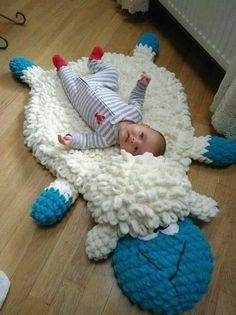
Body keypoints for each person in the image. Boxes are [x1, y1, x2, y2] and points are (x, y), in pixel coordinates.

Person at [52, 46, 166, 156]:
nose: (133, 140)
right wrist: (142, 85)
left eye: (135, 149)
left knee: (68, 83)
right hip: (102, 84)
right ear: (144, 125)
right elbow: (137, 98)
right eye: (141, 136)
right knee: (112, 72)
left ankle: (63, 68)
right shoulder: (135, 114)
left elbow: (87, 141)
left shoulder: (106, 139)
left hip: (78, 95)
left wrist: (71, 140)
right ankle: (94, 62)